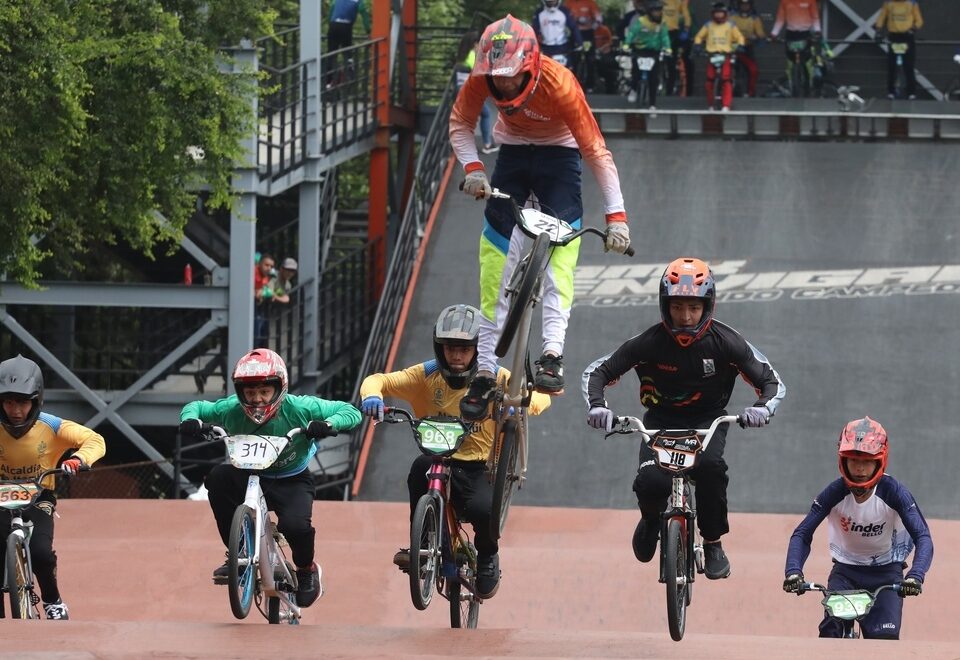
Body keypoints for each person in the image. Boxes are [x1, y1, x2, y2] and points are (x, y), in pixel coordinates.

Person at [450, 15, 632, 421]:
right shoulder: (485, 74)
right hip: (512, 150)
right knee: (495, 255)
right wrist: (473, 169)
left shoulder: (560, 83)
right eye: (497, 78)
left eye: (513, 77)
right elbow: (460, 123)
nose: (504, 86)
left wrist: (616, 217)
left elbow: (597, 152)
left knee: (562, 253)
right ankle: (483, 373)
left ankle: (552, 355)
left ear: (531, 66)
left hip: (560, 152)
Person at [583, 257, 785, 579]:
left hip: (708, 421)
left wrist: (762, 408)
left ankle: (713, 541)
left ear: (708, 305)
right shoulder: (649, 342)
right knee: (651, 482)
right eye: (678, 307)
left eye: (694, 307)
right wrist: (598, 406)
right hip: (660, 420)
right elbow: (599, 371)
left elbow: (771, 382)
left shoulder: (727, 342)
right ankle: (650, 520)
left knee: (710, 469)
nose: (686, 317)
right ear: (665, 306)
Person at [359, 304, 551, 598]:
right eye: (450, 348)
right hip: (438, 457)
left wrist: (521, 401)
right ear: (440, 347)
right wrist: (372, 395)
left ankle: (487, 558)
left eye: (465, 348)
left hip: (481, 466)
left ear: (478, 349)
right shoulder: (425, 374)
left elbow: (538, 398)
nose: (457, 356)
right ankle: (423, 544)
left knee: (482, 510)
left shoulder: (494, 377)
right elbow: (378, 380)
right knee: (416, 471)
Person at [179, 348, 361, 608]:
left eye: (264, 392)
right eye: (250, 393)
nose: (258, 400)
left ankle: (307, 570)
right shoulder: (230, 408)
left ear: (280, 388)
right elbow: (196, 406)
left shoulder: (300, 407)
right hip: (248, 472)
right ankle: (238, 553)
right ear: (240, 392)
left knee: (296, 527)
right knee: (218, 478)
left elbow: (350, 411)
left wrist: (328, 424)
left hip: (291, 478)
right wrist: (190, 420)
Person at [783, 417, 932, 639]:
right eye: (853, 460)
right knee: (830, 634)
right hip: (846, 572)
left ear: (880, 461)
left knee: (885, 640)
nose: (860, 468)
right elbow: (802, 534)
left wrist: (915, 576)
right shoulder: (834, 493)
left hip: (887, 573)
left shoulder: (895, 493)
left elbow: (923, 537)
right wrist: (793, 571)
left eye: (867, 461)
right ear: (842, 461)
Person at [0, 355, 106, 620]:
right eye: (9, 401)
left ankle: (52, 601)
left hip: (39, 496)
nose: (15, 410)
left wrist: (78, 459)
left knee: (41, 553)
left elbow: (94, 439)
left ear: (35, 401)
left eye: (23, 402)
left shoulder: (51, 425)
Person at [693, 3, 746, 111]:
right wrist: (697, 45)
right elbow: (699, 36)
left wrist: (740, 45)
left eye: (721, 13)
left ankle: (726, 105)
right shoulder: (708, 25)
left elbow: (739, 36)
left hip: (725, 55)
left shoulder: (730, 25)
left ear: (725, 14)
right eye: (716, 13)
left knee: (726, 80)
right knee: (709, 81)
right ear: (713, 14)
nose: (718, 15)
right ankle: (711, 104)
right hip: (712, 55)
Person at [455, 31, 498, 154]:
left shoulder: (462, 56)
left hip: (460, 90)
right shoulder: (472, 56)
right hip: (469, 93)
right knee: (486, 114)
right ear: (475, 43)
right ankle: (487, 144)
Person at [624, 0, 672, 108]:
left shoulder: (662, 23)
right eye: (655, 11)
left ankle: (652, 104)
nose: (658, 14)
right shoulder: (641, 21)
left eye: (659, 11)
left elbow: (665, 37)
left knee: (653, 78)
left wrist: (668, 48)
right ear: (650, 12)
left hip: (654, 52)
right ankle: (634, 89)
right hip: (640, 50)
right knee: (636, 72)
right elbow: (632, 33)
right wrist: (626, 44)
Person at [874, 0, 923, 100]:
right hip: (894, 37)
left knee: (908, 65)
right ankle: (891, 91)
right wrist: (878, 31)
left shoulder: (912, 3)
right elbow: (882, 17)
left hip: (907, 37)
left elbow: (919, 20)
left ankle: (911, 92)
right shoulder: (888, 3)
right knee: (891, 66)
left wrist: (912, 29)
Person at [565, 0, 604, 89]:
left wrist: (591, 28)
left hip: (587, 34)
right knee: (572, 58)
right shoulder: (568, 3)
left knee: (590, 59)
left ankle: (590, 84)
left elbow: (599, 19)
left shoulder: (590, 3)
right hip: (573, 34)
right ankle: (571, 83)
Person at [532, 0, 583, 68]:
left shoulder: (564, 11)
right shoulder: (539, 12)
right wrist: (532, 45)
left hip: (562, 47)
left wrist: (579, 42)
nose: (552, 4)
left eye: (554, 2)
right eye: (550, 2)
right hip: (545, 48)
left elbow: (573, 27)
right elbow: (534, 30)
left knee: (568, 71)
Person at [730, 0, 766, 97]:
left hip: (747, 48)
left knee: (753, 70)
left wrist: (757, 36)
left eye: (747, 4)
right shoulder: (732, 17)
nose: (744, 6)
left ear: (750, 5)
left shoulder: (755, 18)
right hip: (733, 48)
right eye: (742, 4)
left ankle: (750, 92)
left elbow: (760, 33)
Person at [662, 0, 693, 95]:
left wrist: (686, 28)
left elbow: (686, 15)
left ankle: (671, 89)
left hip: (673, 33)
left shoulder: (679, 2)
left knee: (674, 61)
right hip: (658, 31)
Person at [254, 253, 276, 348]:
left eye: (271, 266)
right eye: (266, 265)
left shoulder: (266, 276)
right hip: (250, 308)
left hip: (259, 307)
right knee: (257, 335)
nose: (269, 268)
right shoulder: (253, 273)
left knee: (262, 334)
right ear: (259, 264)